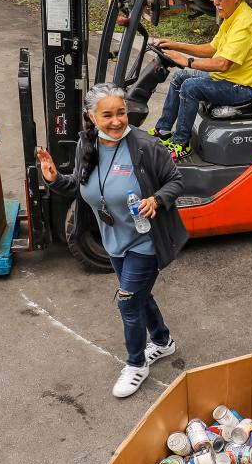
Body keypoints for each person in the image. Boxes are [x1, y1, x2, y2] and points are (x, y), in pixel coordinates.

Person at [36, 84, 188, 398]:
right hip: (113, 240)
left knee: (128, 302)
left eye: (121, 113)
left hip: (144, 241)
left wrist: (157, 200)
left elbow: (176, 180)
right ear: (91, 117)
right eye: (108, 115)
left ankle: (136, 365)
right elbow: (79, 186)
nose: (117, 120)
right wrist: (53, 179)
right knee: (140, 296)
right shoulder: (87, 144)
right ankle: (162, 341)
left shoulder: (145, 146)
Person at [149, 0, 252, 161]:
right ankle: (163, 130)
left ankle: (181, 144)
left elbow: (222, 64)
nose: (215, 2)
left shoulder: (245, 23)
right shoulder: (233, 16)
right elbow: (212, 49)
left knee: (190, 87)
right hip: (229, 80)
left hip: (242, 87)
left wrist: (185, 61)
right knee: (180, 78)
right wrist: (175, 44)